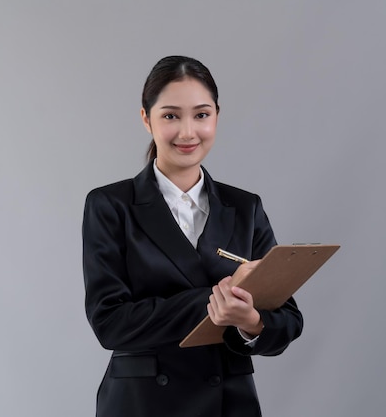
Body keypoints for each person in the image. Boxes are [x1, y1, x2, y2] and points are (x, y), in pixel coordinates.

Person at [82, 55, 303, 417]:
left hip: (230, 403)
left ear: (217, 116)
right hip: (143, 405)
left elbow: (289, 321)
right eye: (170, 116)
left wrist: (250, 322)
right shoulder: (110, 205)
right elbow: (110, 323)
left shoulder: (245, 207)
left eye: (202, 115)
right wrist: (214, 303)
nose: (188, 132)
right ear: (146, 118)